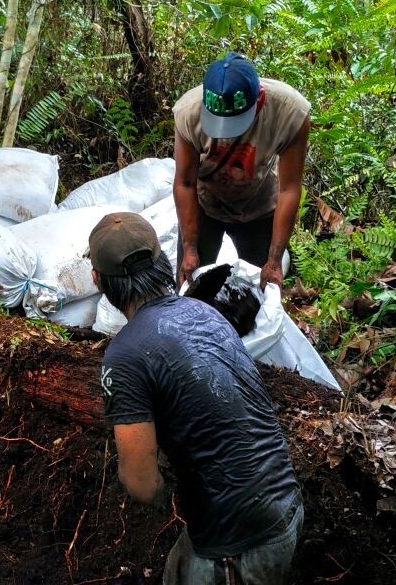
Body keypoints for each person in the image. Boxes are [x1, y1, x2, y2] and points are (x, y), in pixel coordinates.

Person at [88, 212, 303, 584]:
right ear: (162, 264)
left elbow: (141, 483)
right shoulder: (207, 312)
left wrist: (162, 491)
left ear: (97, 280)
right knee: (179, 567)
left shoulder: (123, 356)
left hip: (235, 545)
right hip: (286, 502)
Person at [173, 51, 311, 289]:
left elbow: (289, 188)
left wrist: (275, 261)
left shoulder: (289, 113)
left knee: (260, 290)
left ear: (259, 100)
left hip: (258, 208)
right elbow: (185, 183)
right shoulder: (189, 112)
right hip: (206, 206)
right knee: (190, 285)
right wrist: (190, 248)